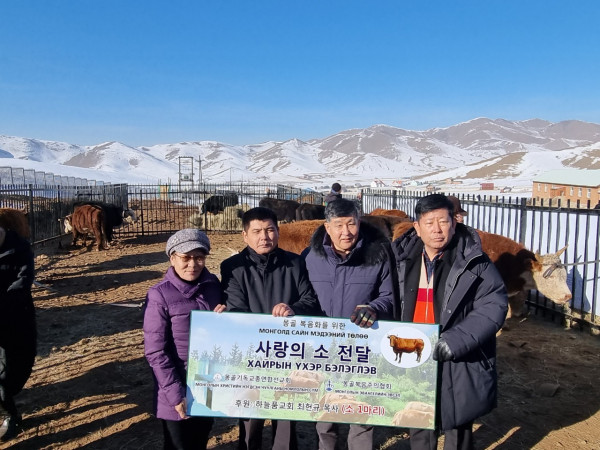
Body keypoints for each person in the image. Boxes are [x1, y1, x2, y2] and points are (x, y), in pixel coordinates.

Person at [392, 194, 507, 450]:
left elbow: (494, 304)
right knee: (419, 418)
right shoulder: (400, 260)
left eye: (443, 222)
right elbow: (386, 297)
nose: (437, 229)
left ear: (454, 224)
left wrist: (456, 341)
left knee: (459, 420)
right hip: (415, 353)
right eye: (429, 222)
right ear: (417, 227)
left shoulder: (474, 261)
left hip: (458, 355)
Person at [221, 207, 322, 450]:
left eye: (269, 230)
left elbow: (310, 299)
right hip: (251, 353)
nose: (264, 237)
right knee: (249, 414)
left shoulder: (295, 263)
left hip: (286, 353)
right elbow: (236, 308)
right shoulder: (232, 267)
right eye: (256, 231)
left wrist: (293, 308)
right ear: (245, 235)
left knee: (284, 412)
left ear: (278, 231)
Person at [303, 198, 395, 450]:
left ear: (359, 222)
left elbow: (388, 296)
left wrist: (374, 308)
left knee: (361, 412)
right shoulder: (311, 257)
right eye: (339, 225)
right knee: (325, 414)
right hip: (323, 348)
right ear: (327, 226)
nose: (346, 232)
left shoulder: (379, 255)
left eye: (351, 224)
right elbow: (304, 297)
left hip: (363, 346)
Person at [143, 229, 225, 450]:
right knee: (178, 444)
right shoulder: (159, 295)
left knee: (200, 440)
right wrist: (176, 394)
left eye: (199, 257)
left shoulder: (213, 286)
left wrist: (226, 317)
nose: (193, 264)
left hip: (206, 384)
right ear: (172, 258)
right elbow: (155, 352)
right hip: (177, 387)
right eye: (185, 257)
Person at [0, 226, 37, 442]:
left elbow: (23, 282)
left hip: (17, 317)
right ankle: (9, 414)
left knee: (18, 368)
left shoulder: (20, 247)